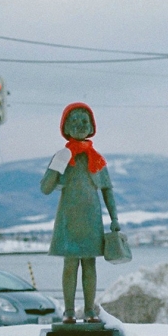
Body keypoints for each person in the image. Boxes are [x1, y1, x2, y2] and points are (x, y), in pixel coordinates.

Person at [40, 103, 120, 324]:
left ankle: (89, 310)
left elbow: (107, 189)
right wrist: (57, 165)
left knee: (89, 263)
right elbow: (45, 188)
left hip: (92, 218)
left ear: (92, 126)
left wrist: (114, 218)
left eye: (84, 121)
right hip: (68, 218)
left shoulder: (96, 158)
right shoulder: (63, 156)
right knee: (70, 263)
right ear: (65, 126)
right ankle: (68, 311)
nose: (79, 125)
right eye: (73, 121)